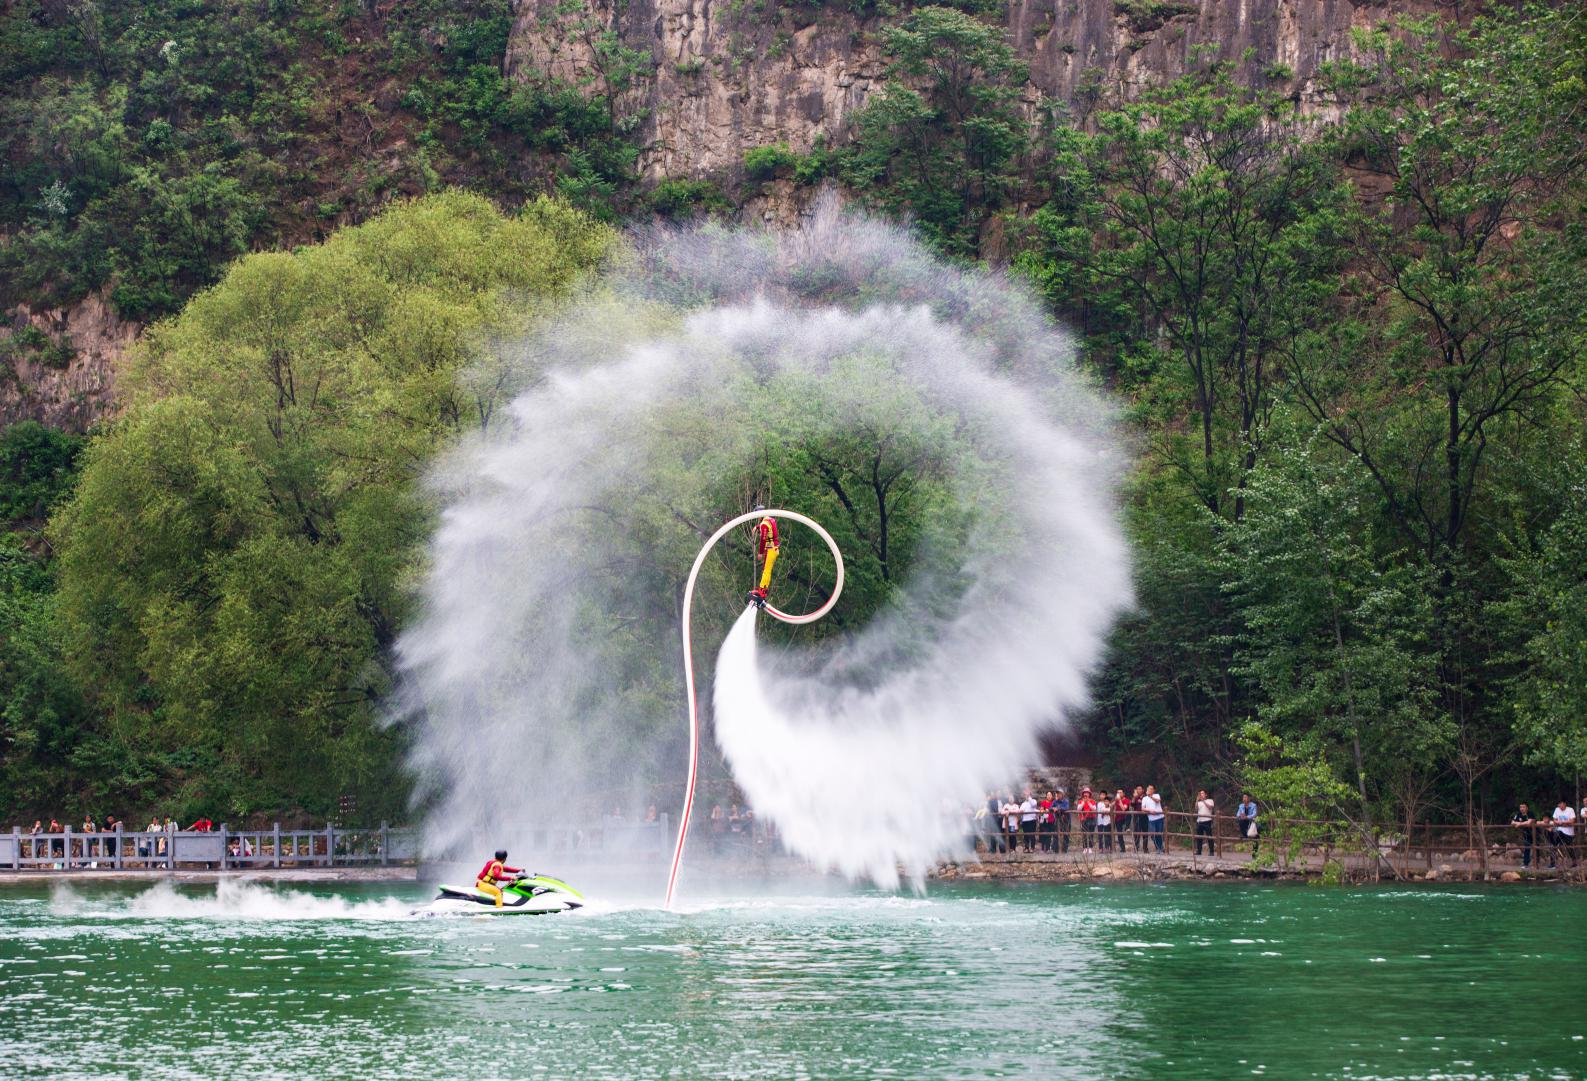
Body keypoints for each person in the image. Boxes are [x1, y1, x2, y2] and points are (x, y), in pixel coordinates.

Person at [748, 506, 780, 606]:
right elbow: (767, 528)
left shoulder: (764, 524)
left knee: (766, 570)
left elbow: (763, 539)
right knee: (766, 570)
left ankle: (762, 592)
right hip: (774, 548)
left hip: (770, 549)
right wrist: (757, 527)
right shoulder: (769, 519)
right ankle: (762, 589)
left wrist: (760, 553)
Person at [1549, 800, 1576, 867]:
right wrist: (1559, 822)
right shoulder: (1557, 809)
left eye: (1560, 804)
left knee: (1569, 847)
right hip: (1559, 830)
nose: (1559, 805)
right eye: (1558, 804)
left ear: (1564, 803)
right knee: (1553, 845)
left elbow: (1572, 820)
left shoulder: (1570, 810)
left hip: (1568, 832)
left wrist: (1564, 822)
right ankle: (1552, 863)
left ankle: (1574, 862)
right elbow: (1554, 819)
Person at [1511, 804, 1535, 869]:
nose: (1522, 808)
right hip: (1526, 833)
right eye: (1520, 807)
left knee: (1536, 847)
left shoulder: (1530, 813)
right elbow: (1512, 822)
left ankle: (1536, 863)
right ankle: (1526, 863)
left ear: (1527, 808)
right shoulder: (1518, 814)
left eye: (1523, 807)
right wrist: (1517, 823)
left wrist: (1519, 824)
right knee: (1527, 847)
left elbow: (1529, 822)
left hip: (1534, 833)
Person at [1142, 786, 1165, 853]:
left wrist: (1151, 796)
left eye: (1151, 789)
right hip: (1151, 819)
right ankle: (1159, 847)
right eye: (1148, 789)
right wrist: (1149, 811)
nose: (1149, 790)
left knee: (1159, 833)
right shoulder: (1144, 798)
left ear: (1153, 790)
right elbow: (1143, 808)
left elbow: (1157, 801)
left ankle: (1159, 848)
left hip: (1159, 817)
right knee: (1152, 834)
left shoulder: (1156, 795)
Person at [1236, 793, 1259, 857]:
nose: (1244, 799)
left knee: (1255, 837)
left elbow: (1254, 814)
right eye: (1243, 798)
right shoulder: (1241, 806)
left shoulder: (1253, 805)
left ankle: (1254, 855)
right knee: (1240, 821)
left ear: (1249, 798)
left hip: (1252, 823)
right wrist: (1241, 815)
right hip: (1244, 823)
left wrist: (1247, 817)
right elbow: (1237, 814)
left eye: (1246, 797)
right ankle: (1245, 835)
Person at [1195, 790, 1216, 857]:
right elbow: (1196, 808)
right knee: (1199, 837)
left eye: (1202, 793)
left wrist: (1203, 801)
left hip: (1207, 821)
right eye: (1200, 793)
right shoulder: (1199, 802)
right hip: (1199, 821)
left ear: (1206, 795)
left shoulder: (1210, 800)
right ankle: (1199, 851)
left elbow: (1210, 807)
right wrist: (1197, 800)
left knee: (1209, 836)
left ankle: (1212, 851)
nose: (1201, 795)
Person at [1077, 788, 1097, 854]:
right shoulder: (1080, 801)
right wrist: (1083, 802)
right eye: (1084, 793)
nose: (1086, 794)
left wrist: (1088, 802)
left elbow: (1094, 809)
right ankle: (1085, 848)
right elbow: (1078, 809)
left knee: (1091, 834)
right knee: (1084, 834)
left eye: (1087, 793)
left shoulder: (1092, 801)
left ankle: (1090, 848)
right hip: (1084, 819)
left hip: (1091, 819)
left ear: (1089, 794)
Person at [1052, 789, 1071, 854]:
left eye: (1059, 793)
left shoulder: (1066, 801)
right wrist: (1053, 808)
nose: (1058, 795)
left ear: (1062, 794)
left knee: (1066, 835)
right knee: (1056, 834)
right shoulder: (1055, 801)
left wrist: (1058, 808)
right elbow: (1050, 808)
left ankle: (1064, 850)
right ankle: (1056, 850)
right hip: (1058, 820)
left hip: (1066, 820)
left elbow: (1066, 808)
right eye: (1057, 793)